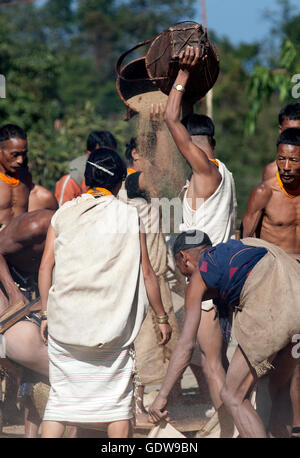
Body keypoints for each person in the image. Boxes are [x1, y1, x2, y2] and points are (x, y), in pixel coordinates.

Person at [38, 147, 172, 438]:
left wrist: (46, 314)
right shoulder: (128, 216)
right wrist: (161, 317)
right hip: (112, 333)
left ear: (86, 180)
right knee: (116, 407)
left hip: (65, 329)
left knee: (60, 405)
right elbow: (147, 272)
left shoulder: (62, 215)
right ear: (121, 182)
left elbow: (46, 267)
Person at [148, 229, 300, 438]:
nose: (187, 278)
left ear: (184, 258)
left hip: (271, 309)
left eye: (183, 272)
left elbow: (185, 345)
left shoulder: (200, 273)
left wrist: (161, 396)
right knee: (280, 387)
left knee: (232, 395)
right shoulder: (244, 247)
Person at [163, 46, 237, 434]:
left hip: (208, 290)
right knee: (202, 358)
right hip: (219, 283)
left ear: (191, 146)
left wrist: (183, 73)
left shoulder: (205, 171)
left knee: (211, 364)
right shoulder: (218, 172)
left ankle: (231, 424)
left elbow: (171, 117)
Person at [242, 127, 300, 437]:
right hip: (272, 285)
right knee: (258, 368)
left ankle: (284, 430)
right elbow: (246, 241)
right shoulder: (264, 192)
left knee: (289, 371)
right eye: (282, 160)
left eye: (294, 161)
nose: (287, 168)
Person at [0, 209, 54, 437]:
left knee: (35, 369)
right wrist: (12, 292)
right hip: (8, 285)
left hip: (32, 291)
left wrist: (41, 305)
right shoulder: (34, 226)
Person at [55, 130, 117, 206]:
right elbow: (62, 214)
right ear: (89, 154)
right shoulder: (71, 182)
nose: (109, 159)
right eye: (103, 154)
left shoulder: (116, 179)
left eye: (112, 155)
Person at [0, 124, 29, 227]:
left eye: (24, 154)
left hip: (22, 239)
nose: (20, 160)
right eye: (15, 154)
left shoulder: (25, 177)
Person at [262, 103, 300, 181]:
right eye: (289, 131)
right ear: (280, 130)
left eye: (298, 131)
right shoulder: (272, 172)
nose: (293, 135)